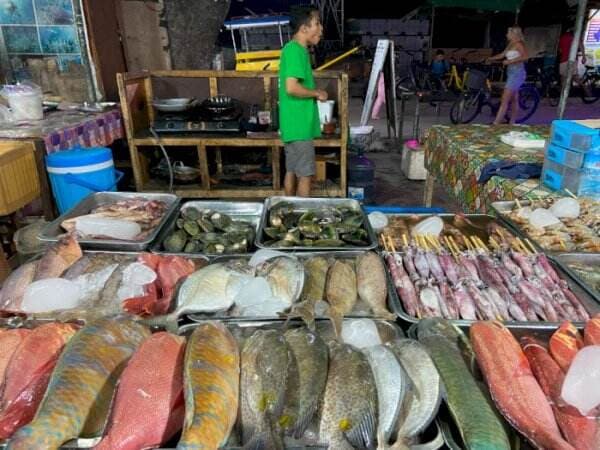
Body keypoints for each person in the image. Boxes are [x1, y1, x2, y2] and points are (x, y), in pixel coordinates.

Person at [278, 7, 327, 197]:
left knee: (292, 171)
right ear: (304, 28)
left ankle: (287, 214)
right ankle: (302, 220)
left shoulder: (293, 50)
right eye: (317, 24)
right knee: (306, 175)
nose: (320, 29)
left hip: (292, 125)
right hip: (299, 125)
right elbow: (292, 87)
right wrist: (317, 93)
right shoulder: (296, 51)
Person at [487, 26, 529, 125]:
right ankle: (512, 122)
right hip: (511, 72)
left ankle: (496, 123)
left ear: (514, 34)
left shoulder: (519, 44)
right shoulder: (511, 43)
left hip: (517, 73)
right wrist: (490, 58)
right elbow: (502, 55)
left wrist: (510, 61)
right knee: (514, 99)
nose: (506, 35)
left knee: (504, 99)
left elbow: (526, 57)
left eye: (508, 33)